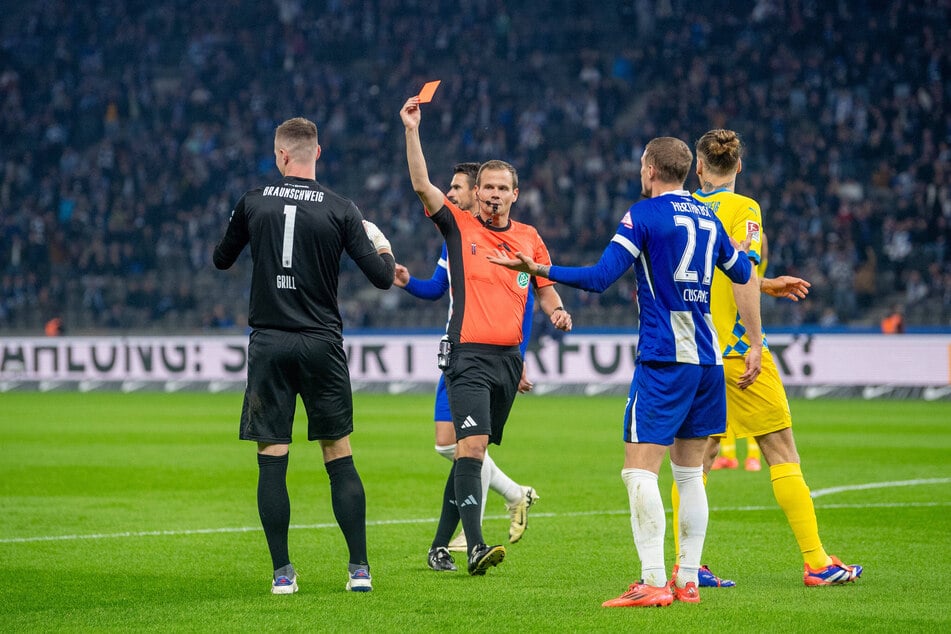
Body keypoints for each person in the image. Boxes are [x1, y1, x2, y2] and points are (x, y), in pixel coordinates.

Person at [490, 136, 756, 607]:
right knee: (690, 476)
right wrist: (741, 247)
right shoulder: (709, 217)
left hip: (664, 360)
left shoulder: (644, 215)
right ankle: (688, 580)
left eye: (641, 165)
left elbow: (598, 278)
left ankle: (652, 581)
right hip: (708, 361)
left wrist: (537, 267)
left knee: (640, 473)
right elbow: (741, 272)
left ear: (651, 169)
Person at [212, 116, 395, 595]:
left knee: (273, 456)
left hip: (270, 342)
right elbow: (381, 277)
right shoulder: (341, 208)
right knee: (338, 453)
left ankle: (282, 574)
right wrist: (383, 246)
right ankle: (359, 570)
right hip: (321, 343)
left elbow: (221, 259)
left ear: (280, 156)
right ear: (318, 153)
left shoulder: (253, 202)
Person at [673, 128, 862, 588]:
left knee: (697, 458)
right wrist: (755, 340)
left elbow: (708, 273)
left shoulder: (681, 209)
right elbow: (741, 271)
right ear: (738, 167)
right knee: (780, 448)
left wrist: (768, 282)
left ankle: (687, 565)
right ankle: (817, 562)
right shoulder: (745, 209)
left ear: (699, 168)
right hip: (735, 349)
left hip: (692, 348)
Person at [400, 96, 572, 576]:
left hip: (507, 361)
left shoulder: (530, 238)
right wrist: (412, 130)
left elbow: (545, 290)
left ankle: (439, 546)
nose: (494, 194)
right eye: (488, 187)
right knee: (468, 447)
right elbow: (421, 185)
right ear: (477, 194)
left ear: (515, 194)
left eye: (503, 188)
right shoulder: (459, 226)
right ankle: (475, 547)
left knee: (469, 455)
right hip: (467, 357)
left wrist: (557, 313)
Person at [393, 161, 540, 554]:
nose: (452, 193)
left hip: (491, 353)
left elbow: (524, 301)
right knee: (459, 446)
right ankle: (500, 504)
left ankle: (456, 537)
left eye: (457, 187)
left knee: (462, 447)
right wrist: (408, 284)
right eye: (452, 188)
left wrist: (520, 354)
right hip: (460, 351)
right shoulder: (456, 235)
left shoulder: (515, 239)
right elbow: (438, 288)